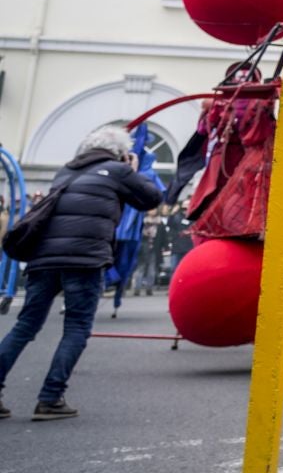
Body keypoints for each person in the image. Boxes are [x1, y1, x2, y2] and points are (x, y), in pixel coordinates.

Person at [0, 127, 162, 420]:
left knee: (25, 326)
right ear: (120, 152)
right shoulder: (116, 170)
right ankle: (50, 397)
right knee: (76, 328)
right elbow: (150, 199)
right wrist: (132, 170)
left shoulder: (66, 171)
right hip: (84, 258)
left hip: (44, 258)